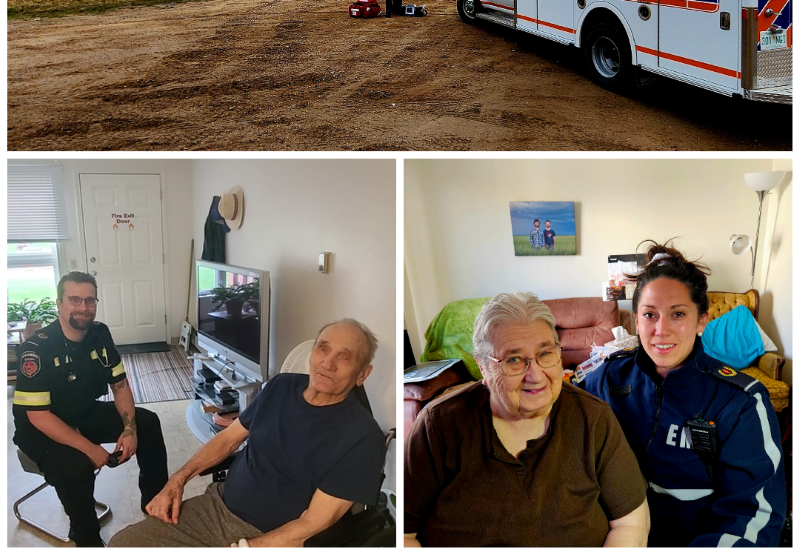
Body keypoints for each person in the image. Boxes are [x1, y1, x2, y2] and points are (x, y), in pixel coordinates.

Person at [110, 319, 385, 547]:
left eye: (345, 357)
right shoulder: (280, 386)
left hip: (271, 538)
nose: (328, 363)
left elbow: (314, 522)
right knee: (124, 543)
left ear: (363, 374)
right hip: (216, 507)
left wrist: (247, 548)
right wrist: (177, 481)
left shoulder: (363, 438)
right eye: (323, 349)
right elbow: (229, 439)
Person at [404, 292, 649, 547]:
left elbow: (631, 522)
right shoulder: (438, 426)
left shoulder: (593, 418)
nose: (536, 375)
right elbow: (404, 534)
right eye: (513, 360)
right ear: (483, 368)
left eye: (545, 353)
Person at [583, 241, 786, 546]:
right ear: (635, 320)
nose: (661, 330)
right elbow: (561, 414)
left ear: (702, 319)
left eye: (677, 314)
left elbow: (754, 515)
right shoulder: (608, 378)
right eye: (650, 315)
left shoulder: (740, 402)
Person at [12, 271, 168, 547]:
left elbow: (120, 386)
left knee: (148, 422)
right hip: (40, 429)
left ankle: (155, 505)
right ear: (59, 304)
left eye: (89, 300)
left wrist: (130, 430)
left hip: (82, 412)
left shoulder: (100, 334)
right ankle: (86, 538)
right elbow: (38, 415)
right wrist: (89, 448)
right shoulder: (38, 348)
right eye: (74, 300)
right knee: (75, 465)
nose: (83, 307)